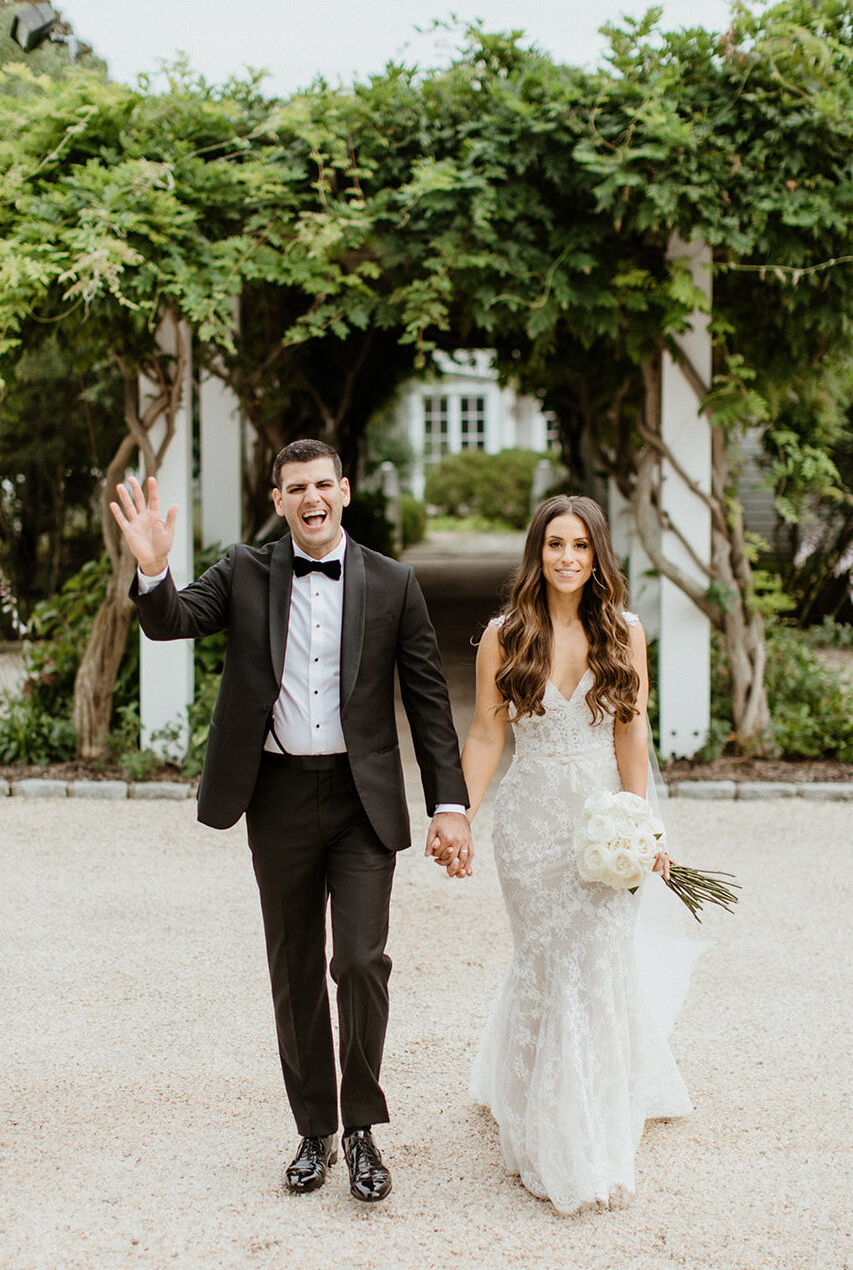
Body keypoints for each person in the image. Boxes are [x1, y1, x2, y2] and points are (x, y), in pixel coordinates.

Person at [110, 439, 472, 1204]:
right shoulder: (244, 569)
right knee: (296, 967)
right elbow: (173, 620)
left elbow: (428, 700)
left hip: (360, 798)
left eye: (321, 484)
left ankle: (363, 1128)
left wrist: (450, 804)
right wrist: (151, 569)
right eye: (293, 487)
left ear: (343, 490)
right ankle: (315, 1129)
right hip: (274, 796)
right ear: (278, 500)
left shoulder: (393, 582)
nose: (310, 497)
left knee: (362, 961)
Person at [460, 494, 695, 1215]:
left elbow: (630, 733)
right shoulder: (503, 634)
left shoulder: (624, 632)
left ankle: (590, 1124)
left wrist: (642, 824)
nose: (566, 558)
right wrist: (457, 816)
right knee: (541, 959)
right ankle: (534, 1113)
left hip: (603, 821)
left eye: (580, 546)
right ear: (537, 552)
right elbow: (486, 735)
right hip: (529, 825)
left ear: (597, 556)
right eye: (554, 544)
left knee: (595, 961)